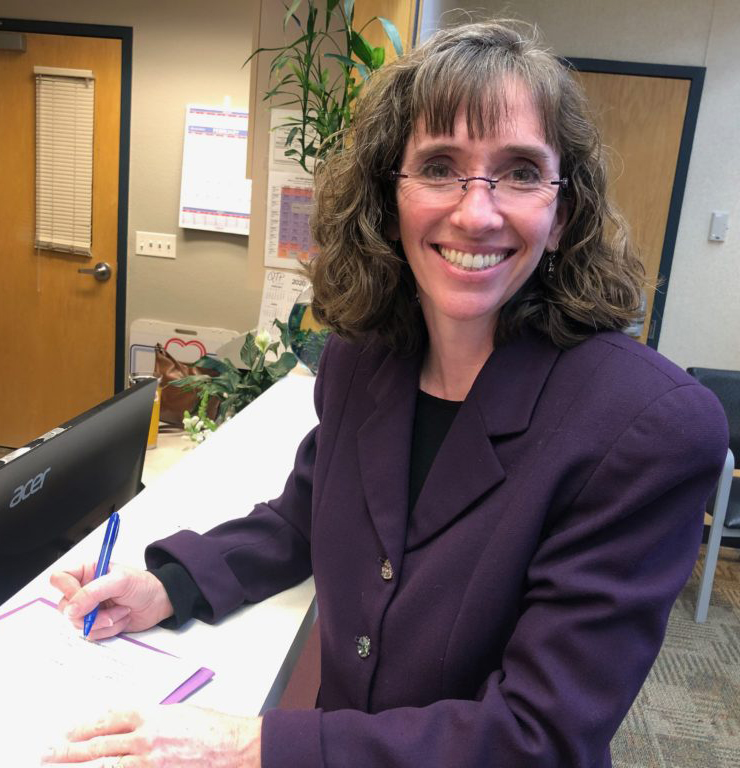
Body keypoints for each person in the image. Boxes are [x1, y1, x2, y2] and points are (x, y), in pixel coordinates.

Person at [45, 19, 727, 768]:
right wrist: (167, 584)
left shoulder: (646, 428)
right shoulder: (360, 361)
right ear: (388, 198)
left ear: (561, 214)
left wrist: (252, 744)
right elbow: (304, 519)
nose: (477, 211)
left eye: (522, 172)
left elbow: (537, 739)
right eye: (440, 166)